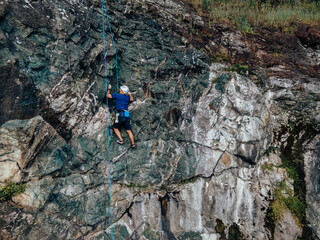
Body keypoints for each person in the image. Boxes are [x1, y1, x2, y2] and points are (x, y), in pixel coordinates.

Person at [107, 84, 136, 148]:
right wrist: (129, 94)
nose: (119, 89)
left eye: (120, 89)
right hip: (126, 114)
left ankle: (121, 140)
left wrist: (109, 89)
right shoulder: (126, 97)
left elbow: (108, 95)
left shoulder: (117, 95)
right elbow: (131, 99)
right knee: (128, 130)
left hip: (120, 114)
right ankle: (133, 144)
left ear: (122, 90)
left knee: (115, 127)